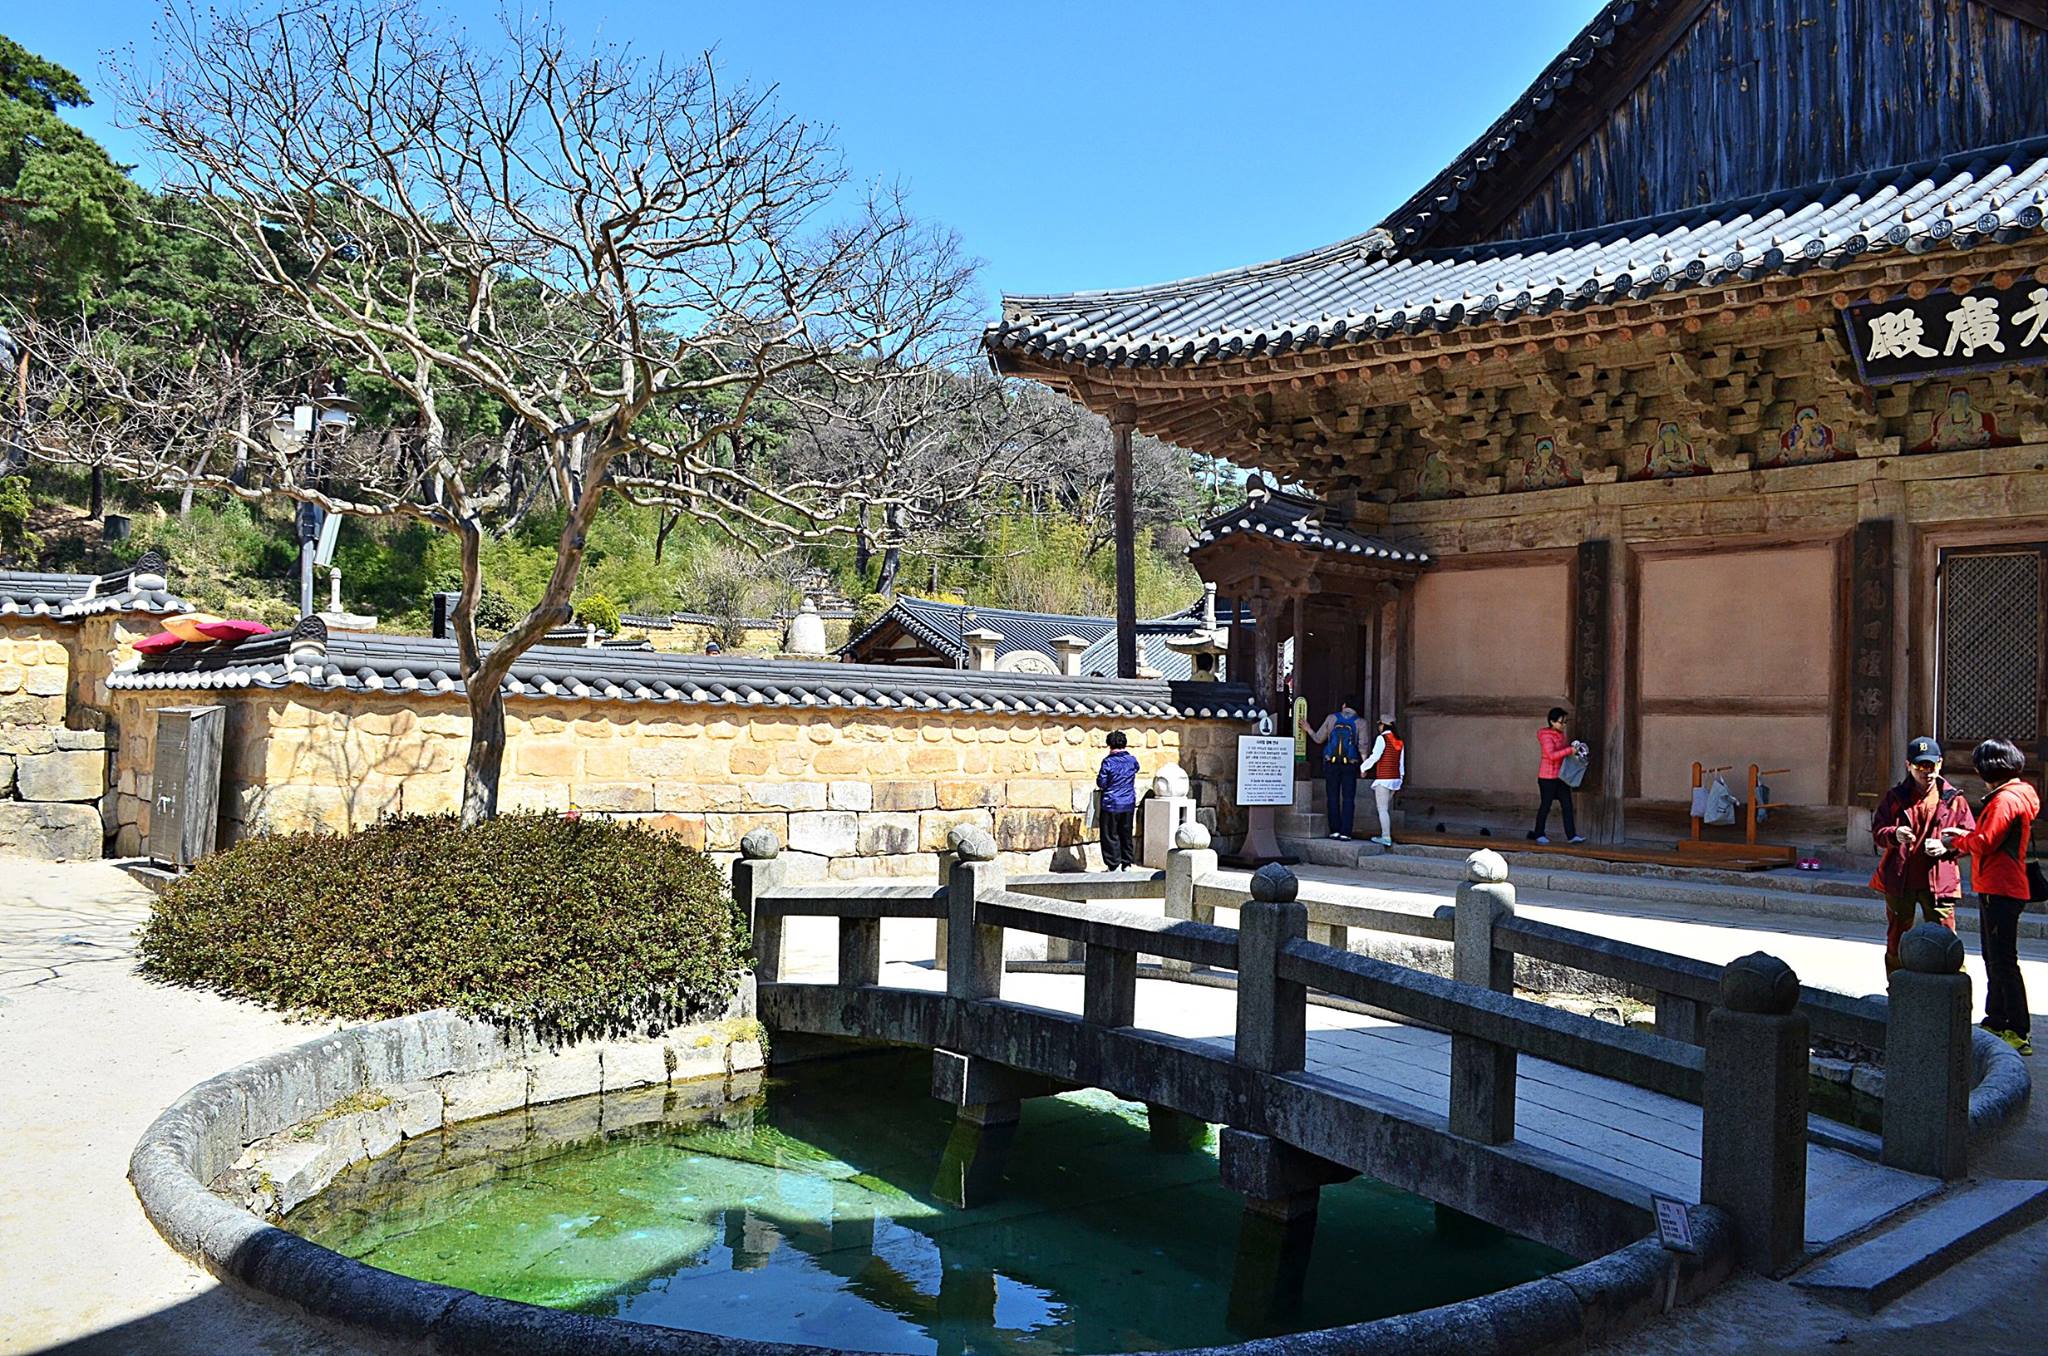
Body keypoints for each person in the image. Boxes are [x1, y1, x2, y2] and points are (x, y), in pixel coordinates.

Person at [1940, 738, 2040, 1055]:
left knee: (2003, 961)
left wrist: (1959, 841)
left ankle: (2017, 1029)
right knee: (1994, 958)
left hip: (2001, 887)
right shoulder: (2017, 793)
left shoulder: (2005, 800)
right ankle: (1996, 1019)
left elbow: (1985, 842)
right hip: (1999, 886)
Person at [1869, 736, 1975, 975]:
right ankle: (1896, 987)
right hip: (1900, 879)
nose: (1926, 772)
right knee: (1896, 936)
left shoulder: (1954, 800)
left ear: (1940, 764)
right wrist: (1895, 834)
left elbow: (1971, 838)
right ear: (1909, 766)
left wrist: (1947, 845)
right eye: (1920, 766)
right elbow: (1878, 832)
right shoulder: (1895, 798)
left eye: (1932, 766)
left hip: (1940, 881)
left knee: (1946, 937)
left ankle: (1953, 986)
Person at [1307, 700, 1364, 841]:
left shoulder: (1332, 718)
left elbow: (1319, 739)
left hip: (1331, 763)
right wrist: (1364, 767)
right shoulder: (1361, 723)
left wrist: (1308, 729)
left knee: (1332, 797)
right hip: (1350, 764)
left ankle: (1334, 831)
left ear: (1344, 705)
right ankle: (1346, 832)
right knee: (1348, 798)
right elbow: (1363, 746)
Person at [1529, 707, 1587, 844]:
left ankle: (1571, 836)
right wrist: (1569, 750)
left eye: (1565, 722)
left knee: (1567, 806)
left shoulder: (1561, 735)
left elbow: (1562, 753)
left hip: (1561, 777)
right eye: (1561, 722)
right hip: (1547, 778)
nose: (1564, 725)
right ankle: (1539, 834)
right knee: (1545, 806)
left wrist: (1574, 751)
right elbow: (1551, 755)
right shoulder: (1546, 736)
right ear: (1552, 722)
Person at [1095, 730, 1140, 871]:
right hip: (1128, 803)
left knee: (1110, 834)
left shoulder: (1108, 762)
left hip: (1111, 803)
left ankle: (1113, 864)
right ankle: (1127, 863)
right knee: (1126, 834)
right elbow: (1136, 769)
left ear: (1109, 745)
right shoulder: (1132, 760)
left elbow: (1101, 782)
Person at [1363, 719, 1405, 847]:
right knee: (1385, 809)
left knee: (1382, 809)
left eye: (1380, 724)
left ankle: (1386, 836)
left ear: (1384, 725)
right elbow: (1401, 763)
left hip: (1384, 779)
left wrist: (1363, 768)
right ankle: (1385, 834)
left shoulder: (1381, 739)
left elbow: (1375, 756)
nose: (1379, 727)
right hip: (1395, 779)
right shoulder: (1399, 742)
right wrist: (1401, 778)